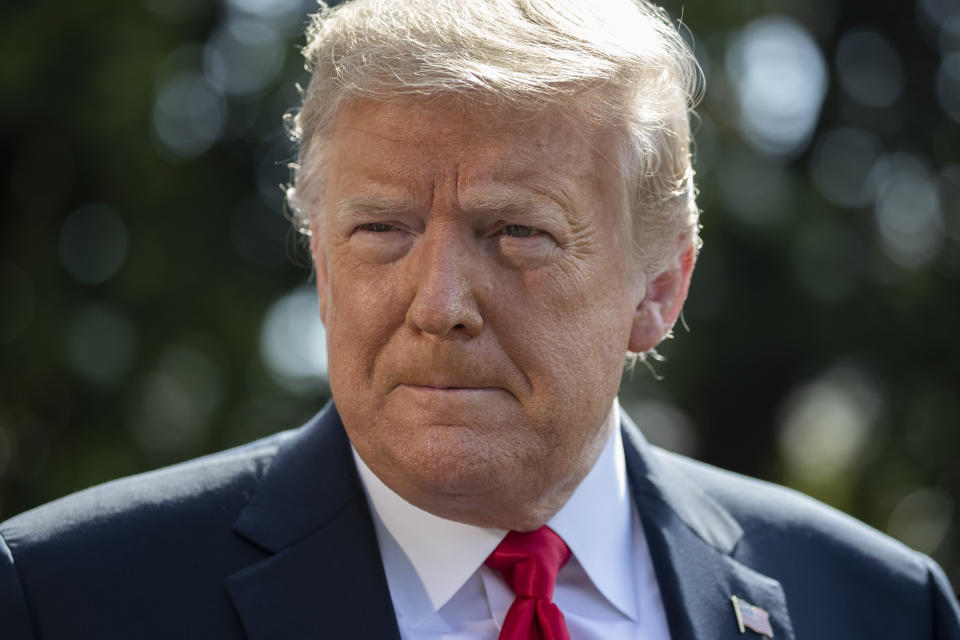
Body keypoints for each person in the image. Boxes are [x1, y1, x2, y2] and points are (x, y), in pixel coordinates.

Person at [2, 0, 958, 638]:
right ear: (324, 267)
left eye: (516, 233)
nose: (440, 304)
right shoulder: (65, 598)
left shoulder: (875, 606)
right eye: (382, 228)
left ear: (660, 287)